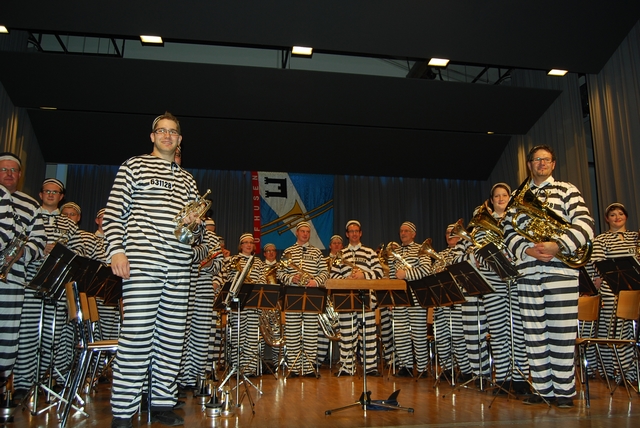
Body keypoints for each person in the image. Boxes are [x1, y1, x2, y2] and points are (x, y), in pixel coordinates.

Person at [103, 112, 205, 428]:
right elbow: (114, 214)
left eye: (173, 132)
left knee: (172, 339)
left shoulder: (188, 179)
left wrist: (195, 224)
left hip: (179, 268)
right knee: (136, 337)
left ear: (179, 139)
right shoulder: (133, 166)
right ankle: (123, 412)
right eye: (161, 130)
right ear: (152, 136)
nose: (167, 135)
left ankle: (161, 403)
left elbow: (196, 234)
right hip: (143, 264)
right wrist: (117, 251)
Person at [503, 145, 595, 408]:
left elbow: (586, 225)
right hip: (528, 270)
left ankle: (564, 392)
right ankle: (543, 389)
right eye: (536, 159)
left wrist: (558, 245)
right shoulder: (517, 197)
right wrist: (527, 249)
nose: (541, 163)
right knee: (534, 333)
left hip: (561, 270)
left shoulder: (567, 190)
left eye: (546, 159)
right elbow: (508, 231)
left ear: (553, 164)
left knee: (561, 333)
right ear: (529, 164)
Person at [452, 184, 529, 394]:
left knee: (518, 331)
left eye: (504, 195)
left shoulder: (518, 220)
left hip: (517, 280)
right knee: (498, 332)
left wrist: (514, 257)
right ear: (491, 200)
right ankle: (503, 378)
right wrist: (485, 260)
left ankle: (520, 379)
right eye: (497, 196)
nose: (501, 198)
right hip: (493, 282)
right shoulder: (481, 225)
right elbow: (472, 253)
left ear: (510, 198)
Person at [12, 179, 82, 400]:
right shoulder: (30, 216)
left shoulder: (69, 225)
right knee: (27, 336)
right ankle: (23, 384)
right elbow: (18, 245)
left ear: (61, 197)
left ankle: (45, 380)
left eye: (55, 192)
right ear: (41, 194)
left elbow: (78, 254)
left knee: (52, 337)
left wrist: (61, 252)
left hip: (56, 286)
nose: (51, 195)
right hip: (30, 282)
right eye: (47, 191)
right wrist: (39, 249)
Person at [0, 153, 46, 395]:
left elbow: (39, 241)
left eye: (13, 170)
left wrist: (22, 253)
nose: (8, 174)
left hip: (12, 279)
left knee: (7, 340)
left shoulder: (30, 205)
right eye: (3, 169)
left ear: (19, 174)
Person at [587, 202, 638, 382]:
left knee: (633, 334)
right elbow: (598, 265)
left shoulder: (635, 237)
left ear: (626, 216)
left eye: (620, 214)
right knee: (612, 332)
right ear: (607, 219)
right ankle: (617, 373)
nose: (617, 217)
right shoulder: (601, 239)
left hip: (635, 290)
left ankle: (633, 373)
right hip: (612, 291)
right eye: (613, 215)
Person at [330, 220, 383, 376]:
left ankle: (370, 368)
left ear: (360, 233)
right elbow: (333, 276)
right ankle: (347, 367)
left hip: (367, 299)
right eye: (351, 231)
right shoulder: (340, 254)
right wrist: (346, 280)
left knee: (369, 335)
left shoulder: (370, 252)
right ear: (347, 234)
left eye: (356, 231)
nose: (354, 234)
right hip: (346, 298)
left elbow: (379, 273)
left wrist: (363, 275)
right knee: (346, 335)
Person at [277, 222, 329, 377]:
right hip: (293, 293)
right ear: (297, 233)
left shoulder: (317, 252)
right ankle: (293, 367)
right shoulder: (288, 251)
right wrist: (291, 278)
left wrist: (316, 282)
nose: (305, 234)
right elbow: (279, 273)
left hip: (312, 293)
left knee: (311, 332)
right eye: (302, 231)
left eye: (308, 231)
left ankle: (308, 368)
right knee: (292, 331)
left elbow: (325, 272)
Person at [178, 217, 223, 394]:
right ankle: (176, 380)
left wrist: (208, 263)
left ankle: (196, 379)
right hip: (181, 287)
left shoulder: (212, 238)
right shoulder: (180, 231)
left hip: (203, 290)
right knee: (180, 335)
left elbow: (218, 265)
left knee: (201, 337)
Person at [386, 221, 431, 377]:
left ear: (413, 234)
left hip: (416, 296)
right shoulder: (395, 252)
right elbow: (392, 276)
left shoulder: (421, 249)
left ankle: (422, 368)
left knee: (418, 333)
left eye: (406, 231)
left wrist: (407, 274)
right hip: (399, 296)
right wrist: (391, 298)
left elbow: (426, 270)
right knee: (400, 333)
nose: (403, 233)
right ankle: (405, 366)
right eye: (401, 231)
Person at [433, 223, 473, 384]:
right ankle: (447, 369)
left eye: (453, 232)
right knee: (442, 336)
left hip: (458, 299)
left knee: (458, 336)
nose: (449, 235)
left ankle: (465, 370)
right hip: (442, 301)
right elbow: (433, 272)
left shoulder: (466, 251)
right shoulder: (441, 254)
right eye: (447, 233)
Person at [225, 234, 266, 377]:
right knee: (238, 337)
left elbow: (262, 279)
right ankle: (237, 368)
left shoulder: (258, 262)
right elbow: (229, 279)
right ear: (240, 245)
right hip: (238, 303)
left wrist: (254, 285)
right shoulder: (233, 260)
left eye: (251, 243)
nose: (249, 245)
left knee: (252, 338)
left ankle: (249, 369)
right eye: (245, 242)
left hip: (253, 304)